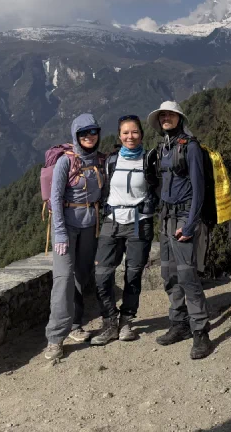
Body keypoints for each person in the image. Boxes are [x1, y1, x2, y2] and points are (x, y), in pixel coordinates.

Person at [146, 100, 212, 359]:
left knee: (187, 276)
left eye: (170, 115)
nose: (166, 118)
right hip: (165, 218)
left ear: (179, 118)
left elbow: (199, 188)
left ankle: (201, 332)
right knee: (169, 274)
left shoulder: (190, 147)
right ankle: (179, 324)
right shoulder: (163, 148)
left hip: (184, 217)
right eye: (162, 115)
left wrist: (191, 223)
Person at [91, 115, 158, 346]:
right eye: (126, 133)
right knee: (102, 274)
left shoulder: (150, 159)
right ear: (119, 136)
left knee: (133, 274)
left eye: (135, 132)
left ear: (141, 134)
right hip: (112, 221)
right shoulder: (111, 160)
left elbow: (159, 187)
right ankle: (109, 321)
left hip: (141, 222)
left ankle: (126, 320)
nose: (130, 136)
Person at [44, 114, 105, 361]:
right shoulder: (65, 163)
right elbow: (56, 198)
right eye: (84, 133)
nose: (89, 137)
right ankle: (55, 338)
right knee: (63, 279)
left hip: (90, 226)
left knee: (82, 275)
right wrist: (59, 233)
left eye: (93, 131)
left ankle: (76, 325)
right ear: (75, 136)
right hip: (67, 228)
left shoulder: (99, 161)